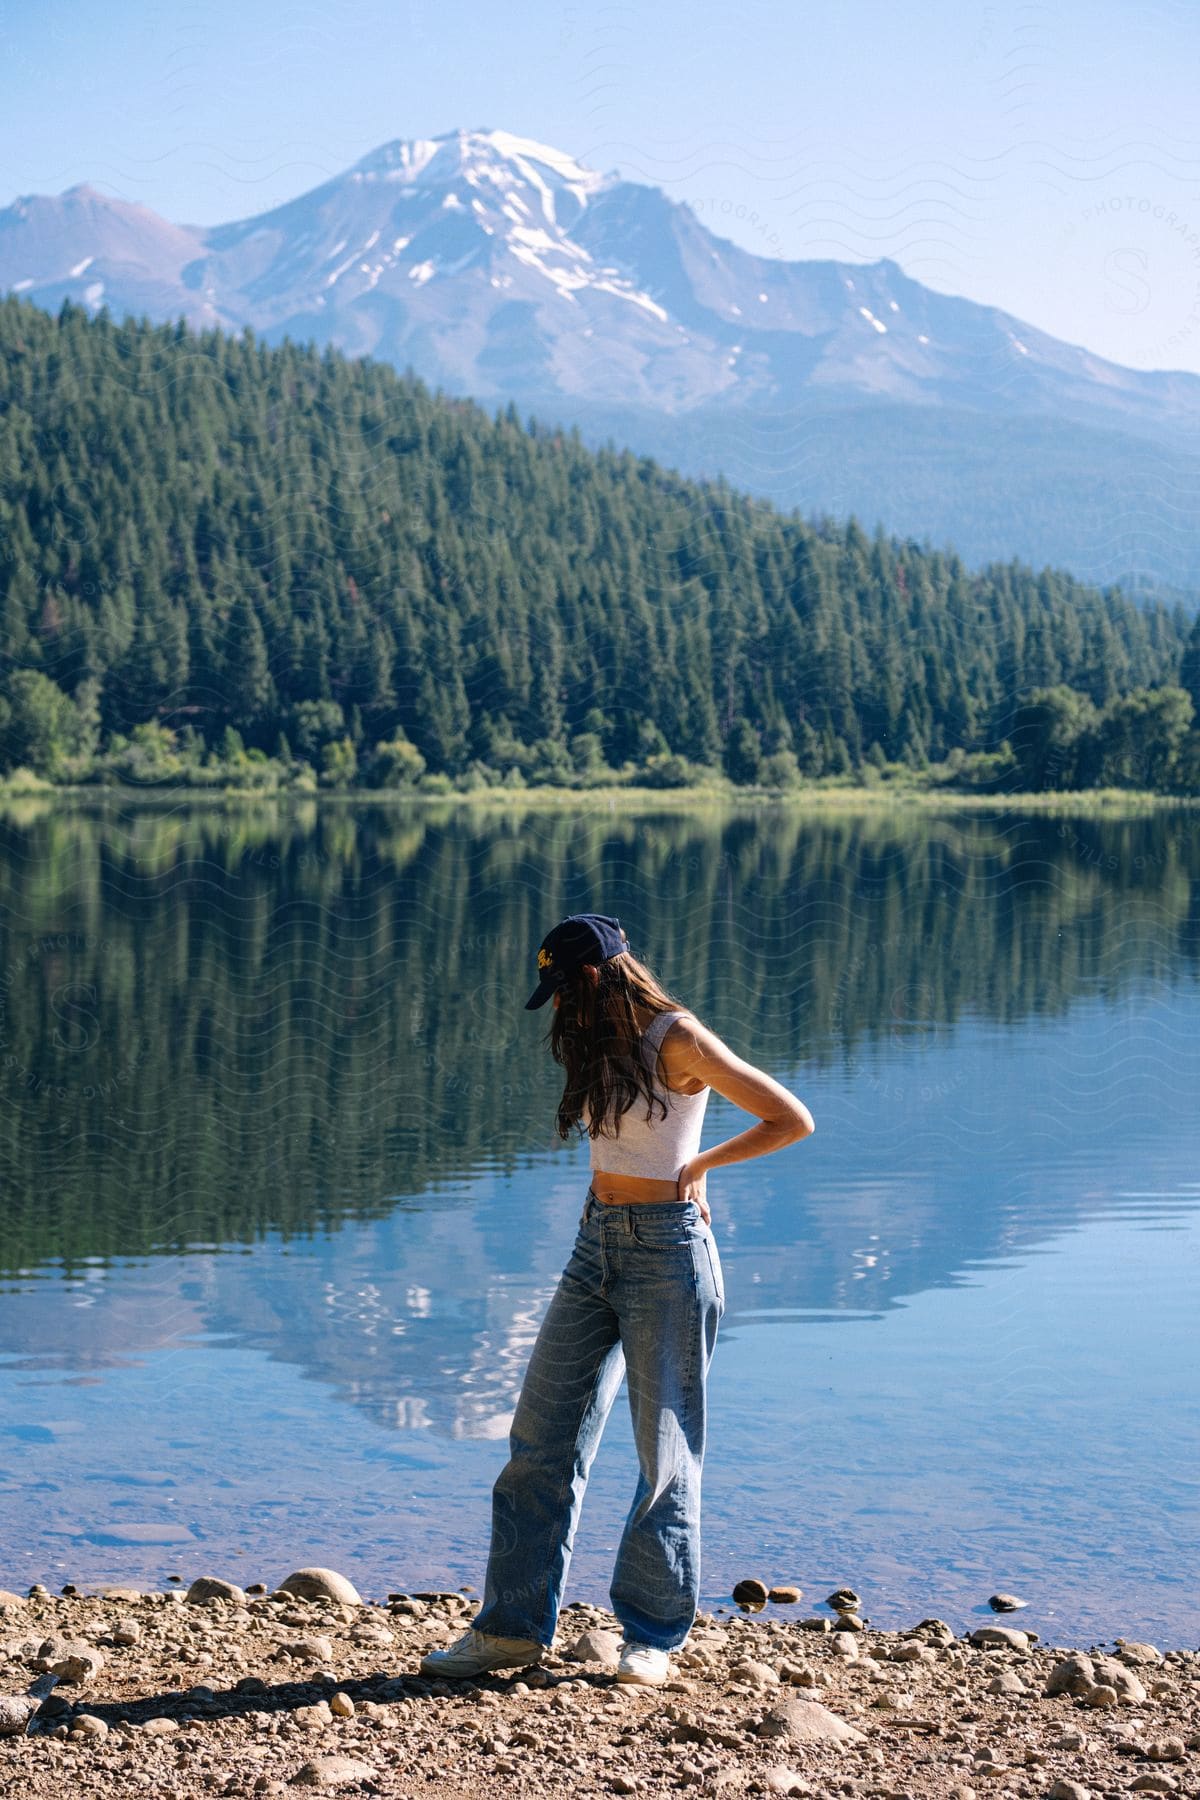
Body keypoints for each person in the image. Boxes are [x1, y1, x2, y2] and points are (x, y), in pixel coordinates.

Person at [420, 912, 815, 1686]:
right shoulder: (597, 1037)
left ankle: (653, 1637)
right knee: (539, 1442)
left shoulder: (679, 1038)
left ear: (597, 977)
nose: (560, 1005)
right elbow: (623, 1142)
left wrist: (698, 1168)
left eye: (566, 989)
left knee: (663, 1455)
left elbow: (788, 1119)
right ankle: (510, 1632)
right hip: (595, 1245)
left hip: (668, 1253)